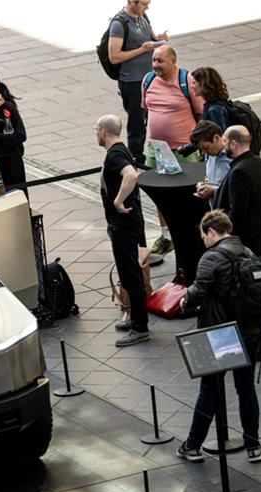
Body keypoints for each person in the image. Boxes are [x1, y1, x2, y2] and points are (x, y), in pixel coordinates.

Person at [178, 210, 261, 463]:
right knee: (246, 389)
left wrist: (183, 300)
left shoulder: (211, 257)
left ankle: (192, 445)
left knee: (209, 390)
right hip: (249, 330)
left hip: (220, 334)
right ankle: (253, 446)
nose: (203, 240)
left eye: (204, 235)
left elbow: (198, 290)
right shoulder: (247, 252)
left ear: (212, 231)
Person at [142, 45, 204, 256]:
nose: (155, 65)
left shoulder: (186, 80)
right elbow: (146, 109)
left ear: (173, 61)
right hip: (157, 149)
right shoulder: (148, 80)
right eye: (153, 60)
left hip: (184, 150)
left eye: (160, 61)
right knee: (160, 194)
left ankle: (194, 233)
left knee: (190, 193)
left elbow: (200, 112)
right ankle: (166, 236)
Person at [96, 115, 150, 348]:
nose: (96, 134)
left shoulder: (115, 156)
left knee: (131, 276)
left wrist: (118, 201)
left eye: (96, 130)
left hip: (123, 226)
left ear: (103, 132)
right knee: (130, 274)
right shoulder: (122, 150)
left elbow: (131, 175)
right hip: (129, 223)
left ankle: (140, 327)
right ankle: (136, 318)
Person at [106, 0, 168, 165]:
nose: (147, 7)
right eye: (144, 4)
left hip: (150, 77)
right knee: (137, 123)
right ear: (132, 2)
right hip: (132, 81)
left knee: (155, 117)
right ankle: (136, 158)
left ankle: (156, 153)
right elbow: (114, 57)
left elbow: (150, 38)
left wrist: (159, 39)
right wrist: (142, 50)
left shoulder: (143, 16)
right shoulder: (119, 24)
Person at [213, 126, 261, 257]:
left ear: (233, 144)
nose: (223, 144)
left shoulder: (239, 172)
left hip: (249, 244)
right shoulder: (258, 162)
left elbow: (237, 215)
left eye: (225, 141)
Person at [190, 120, 231, 207]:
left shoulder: (233, 156)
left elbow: (238, 190)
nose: (204, 152)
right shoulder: (210, 155)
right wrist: (205, 185)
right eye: (201, 149)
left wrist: (214, 191)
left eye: (206, 147)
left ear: (216, 138)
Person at [190, 67, 231, 132]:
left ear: (203, 85)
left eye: (194, 83)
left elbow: (219, 135)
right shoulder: (212, 105)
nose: (191, 86)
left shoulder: (215, 110)